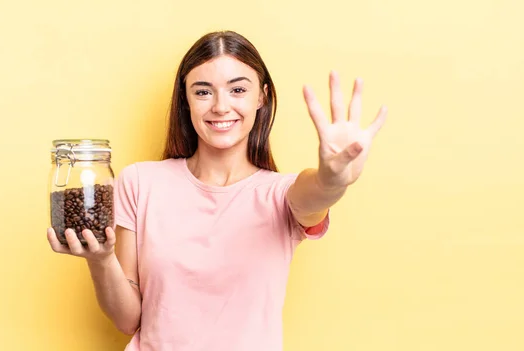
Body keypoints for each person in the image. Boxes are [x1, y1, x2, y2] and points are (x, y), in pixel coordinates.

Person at [47, 30, 387, 351]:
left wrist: (334, 176)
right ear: (186, 99)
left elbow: (316, 194)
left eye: (237, 90)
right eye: (203, 91)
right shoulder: (139, 182)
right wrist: (102, 260)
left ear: (262, 97)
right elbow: (127, 320)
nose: (220, 106)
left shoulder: (280, 195)